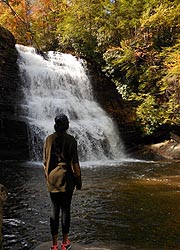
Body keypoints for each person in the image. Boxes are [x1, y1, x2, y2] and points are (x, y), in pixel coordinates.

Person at [43, 114, 82, 250]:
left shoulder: (48, 139)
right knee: (66, 210)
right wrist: (79, 181)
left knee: (54, 211)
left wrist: (48, 178)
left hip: (52, 180)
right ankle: (65, 243)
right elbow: (75, 164)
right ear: (67, 125)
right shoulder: (71, 140)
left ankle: (54, 245)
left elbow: (44, 162)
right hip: (67, 180)